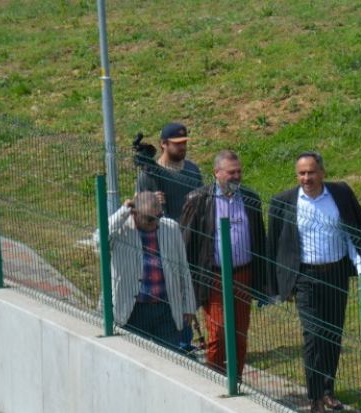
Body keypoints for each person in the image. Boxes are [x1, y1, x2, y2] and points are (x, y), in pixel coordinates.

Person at [268, 151, 361, 413]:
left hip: (335, 274)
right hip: (305, 277)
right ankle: (315, 396)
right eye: (301, 173)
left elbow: (355, 230)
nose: (306, 178)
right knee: (313, 336)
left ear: (322, 173)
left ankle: (328, 388)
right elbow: (274, 244)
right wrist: (280, 285)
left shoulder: (340, 194)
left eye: (311, 172)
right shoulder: (284, 202)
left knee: (333, 334)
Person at [179, 150, 272, 378]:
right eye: (231, 172)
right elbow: (186, 241)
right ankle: (215, 379)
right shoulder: (199, 200)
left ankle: (235, 380)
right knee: (219, 332)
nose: (236, 176)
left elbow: (259, 238)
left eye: (239, 171)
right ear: (216, 173)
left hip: (243, 275)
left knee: (239, 333)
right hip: (214, 276)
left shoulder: (250, 199)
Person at [136, 121, 203, 355]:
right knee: (172, 292)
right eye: (176, 144)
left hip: (190, 241)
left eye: (184, 143)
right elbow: (139, 211)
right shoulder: (149, 174)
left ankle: (185, 340)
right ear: (163, 144)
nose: (182, 147)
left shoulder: (192, 170)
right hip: (163, 244)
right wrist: (152, 202)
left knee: (187, 291)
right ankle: (177, 343)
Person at [99, 191, 195, 350]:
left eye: (159, 216)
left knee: (169, 357)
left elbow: (183, 268)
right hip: (133, 309)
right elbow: (99, 240)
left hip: (166, 308)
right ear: (134, 213)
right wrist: (122, 212)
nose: (155, 222)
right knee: (134, 356)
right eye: (150, 219)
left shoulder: (171, 228)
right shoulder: (121, 229)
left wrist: (189, 305)